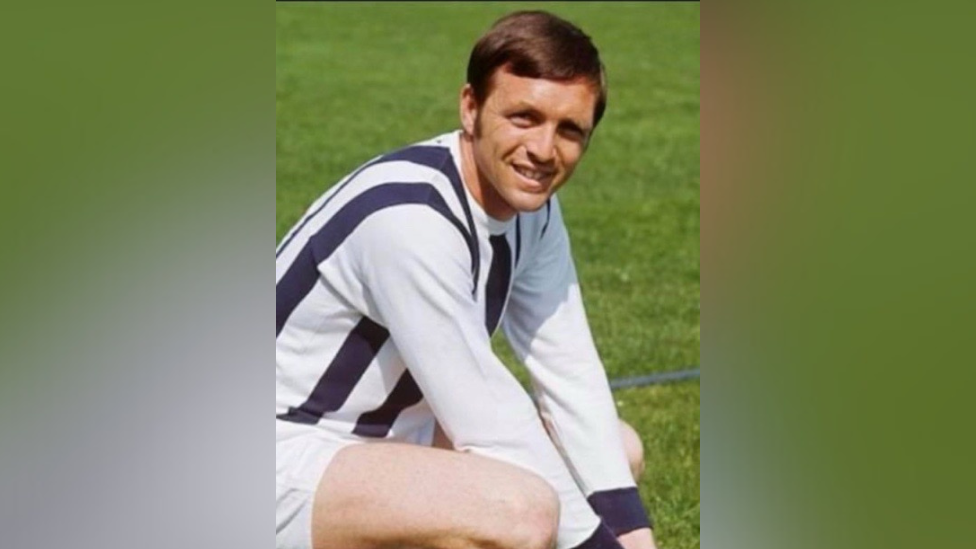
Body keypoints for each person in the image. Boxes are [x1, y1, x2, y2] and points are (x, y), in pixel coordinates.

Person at [276, 10, 659, 549]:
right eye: (524, 117)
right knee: (517, 513)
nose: (545, 151)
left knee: (618, 449)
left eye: (569, 129)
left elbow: (567, 367)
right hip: (278, 450)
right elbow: (491, 424)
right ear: (471, 108)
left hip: (382, 443)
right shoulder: (409, 219)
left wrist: (632, 534)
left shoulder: (534, 212)